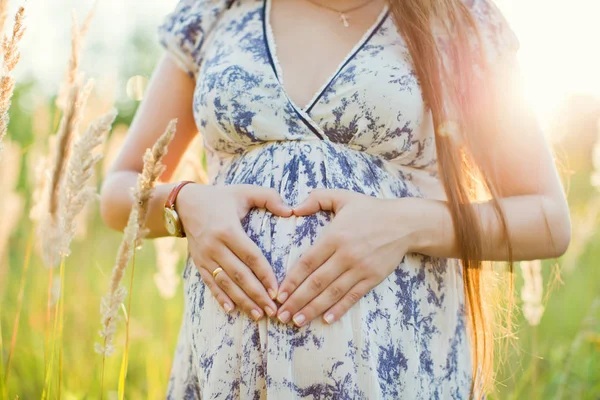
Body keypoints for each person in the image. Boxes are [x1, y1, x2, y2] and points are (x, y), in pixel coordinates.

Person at [100, 0, 571, 397]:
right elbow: (118, 192)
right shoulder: (216, 14)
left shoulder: (454, 18)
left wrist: (407, 222)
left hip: (396, 370)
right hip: (230, 371)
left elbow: (548, 219)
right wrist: (183, 202)